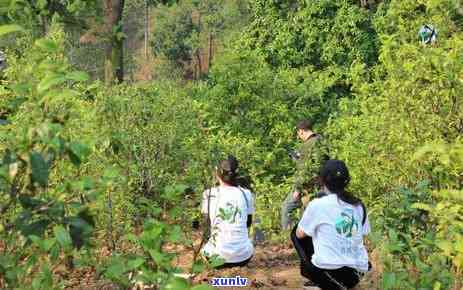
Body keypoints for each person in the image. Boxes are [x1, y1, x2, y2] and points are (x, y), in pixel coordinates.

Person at [291, 160, 370, 290]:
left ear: (322, 181)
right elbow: (363, 234)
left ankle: (317, 277)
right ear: (347, 180)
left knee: (298, 231)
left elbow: (300, 234)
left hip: (328, 273)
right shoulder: (358, 205)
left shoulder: (317, 204)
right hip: (357, 274)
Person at [201, 155, 255, 268]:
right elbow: (248, 223)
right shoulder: (246, 194)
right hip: (243, 257)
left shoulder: (208, 194)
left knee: (204, 251)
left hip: (215, 259)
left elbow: (206, 226)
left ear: (217, 172)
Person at [281, 119, 329, 230]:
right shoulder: (322, 141)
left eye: (298, 134)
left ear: (301, 131)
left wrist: (297, 189)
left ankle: (289, 236)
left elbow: (304, 170)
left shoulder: (307, 145)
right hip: (323, 185)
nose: (299, 137)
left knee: (286, 208)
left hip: (308, 186)